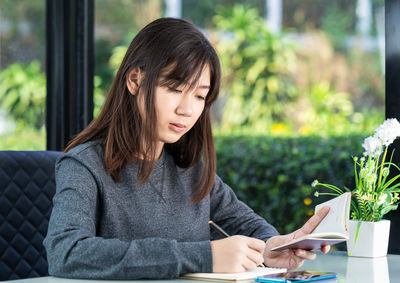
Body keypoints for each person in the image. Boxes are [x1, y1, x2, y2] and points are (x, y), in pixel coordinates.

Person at [43, 17, 330, 280]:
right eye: (174, 88)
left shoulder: (191, 169)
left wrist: (272, 246)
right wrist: (206, 256)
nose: (187, 109)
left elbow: (247, 224)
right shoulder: (84, 165)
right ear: (135, 80)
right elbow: (66, 252)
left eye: (200, 95)